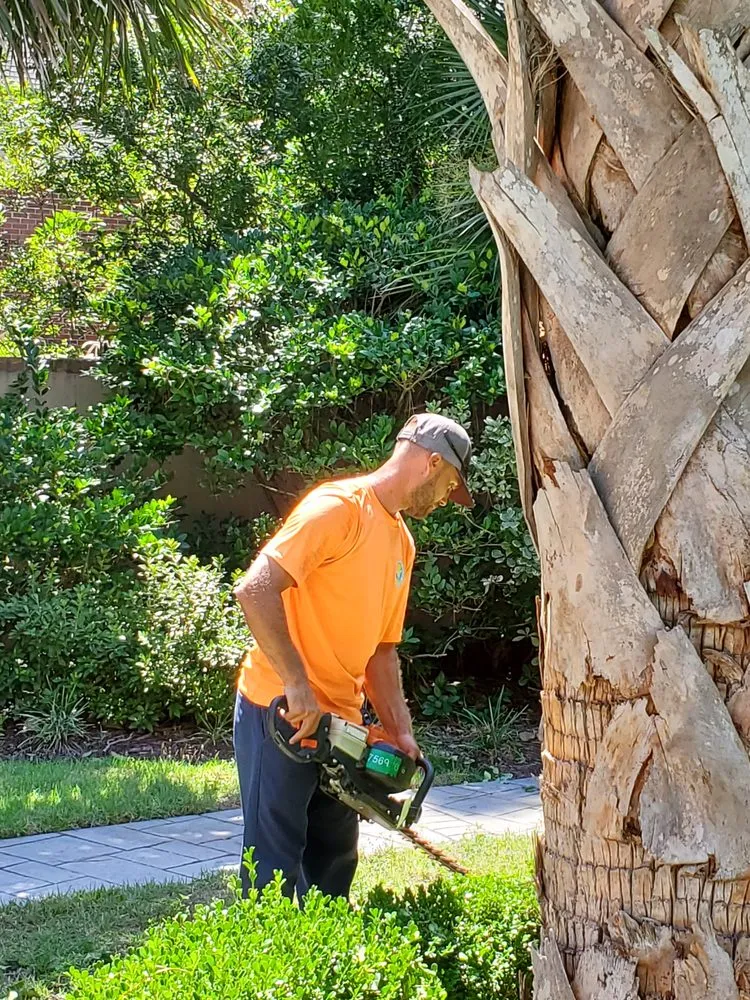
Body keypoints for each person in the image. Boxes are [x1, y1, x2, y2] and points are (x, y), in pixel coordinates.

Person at [232, 412, 473, 899]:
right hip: (282, 712)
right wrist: (297, 685)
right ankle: (268, 970)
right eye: (451, 483)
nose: (450, 497)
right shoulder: (338, 508)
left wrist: (400, 731)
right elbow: (256, 590)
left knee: (333, 867)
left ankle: (326, 970)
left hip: (340, 725)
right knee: (273, 869)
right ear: (430, 462)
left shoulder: (401, 543)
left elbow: (382, 652)